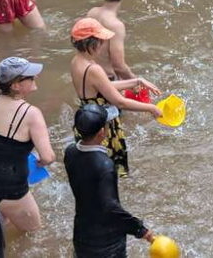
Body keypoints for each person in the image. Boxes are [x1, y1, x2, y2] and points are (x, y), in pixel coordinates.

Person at [0, 56, 55, 232]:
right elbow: (48, 156)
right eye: (30, 77)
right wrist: (39, 163)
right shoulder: (31, 113)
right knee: (35, 234)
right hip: (12, 185)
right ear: (15, 85)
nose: (35, 78)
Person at [69, 17, 162, 177]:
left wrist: (136, 81)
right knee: (112, 171)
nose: (103, 44)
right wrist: (152, 108)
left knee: (91, 169)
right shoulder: (93, 69)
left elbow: (101, 87)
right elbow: (119, 102)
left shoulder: (76, 62)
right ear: (91, 43)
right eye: (100, 41)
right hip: (102, 126)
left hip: (86, 121)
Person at [65, 104, 155, 256]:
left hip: (82, 233)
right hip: (106, 243)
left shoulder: (71, 152)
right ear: (102, 132)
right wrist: (140, 229)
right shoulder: (105, 165)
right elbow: (110, 207)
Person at [86, 0, 135, 80]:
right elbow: (118, 66)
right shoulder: (116, 25)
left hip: (90, 74)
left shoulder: (92, 12)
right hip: (107, 80)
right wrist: (135, 82)